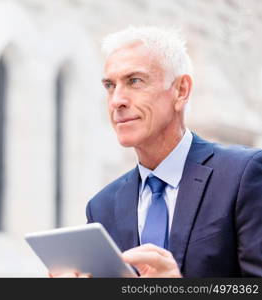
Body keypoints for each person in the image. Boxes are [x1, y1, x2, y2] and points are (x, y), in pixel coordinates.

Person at [53, 26, 262, 278]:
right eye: (110, 85)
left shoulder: (242, 175)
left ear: (181, 90)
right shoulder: (102, 207)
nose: (116, 100)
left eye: (134, 81)